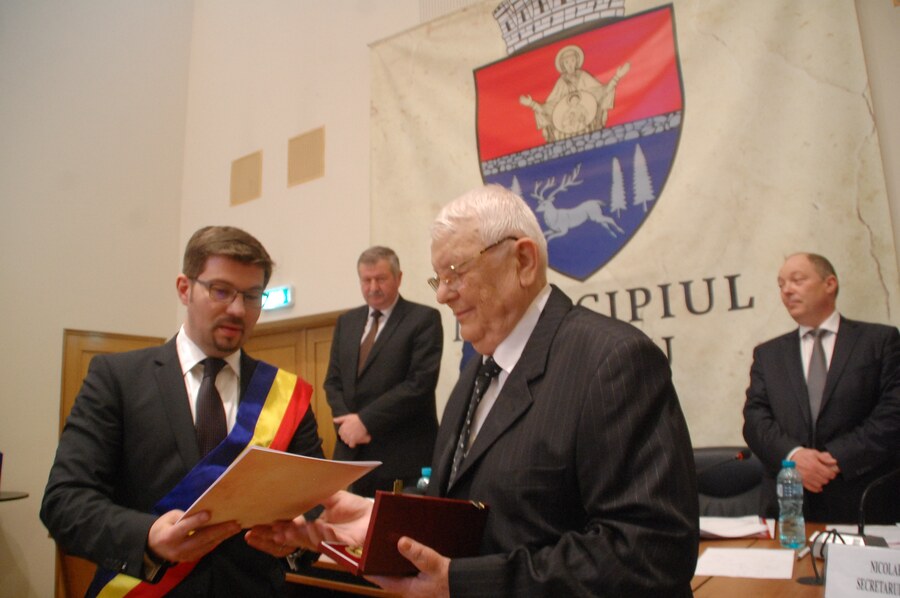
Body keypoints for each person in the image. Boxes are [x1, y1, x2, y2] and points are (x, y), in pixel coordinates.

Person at [251, 185, 699, 596]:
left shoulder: (613, 361)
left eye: (455, 272)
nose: (442, 295)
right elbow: (476, 514)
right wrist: (380, 522)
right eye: (438, 278)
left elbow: (651, 553)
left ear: (523, 262)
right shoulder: (475, 376)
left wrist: (462, 584)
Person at [41, 226, 324, 597]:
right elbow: (64, 502)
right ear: (184, 288)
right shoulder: (117, 379)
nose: (238, 309)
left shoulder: (286, 394)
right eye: (220, 290)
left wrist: (296, 542)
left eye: (252, 295)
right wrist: (148, 536)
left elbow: (317, 504)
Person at [743, 252, 900, 524]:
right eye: (781, 284)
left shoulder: (879, 341)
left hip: (862, 500)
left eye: (797, 280)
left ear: (830, 284)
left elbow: (893, 412)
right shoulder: (768, 354)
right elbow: (755, 419)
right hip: (789, 510)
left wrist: (836, 458)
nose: (786, 290)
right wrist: (794, 458)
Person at [324, 246, 443, 496]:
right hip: (353, 454)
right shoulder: (346, 322)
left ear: (398, 278)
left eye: (380, 279)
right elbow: (333, 383)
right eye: (366, 280)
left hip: (402, 456)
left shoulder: (423, 319)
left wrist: (365, 422)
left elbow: (419, 385)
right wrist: (348, 426)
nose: (373, 287)